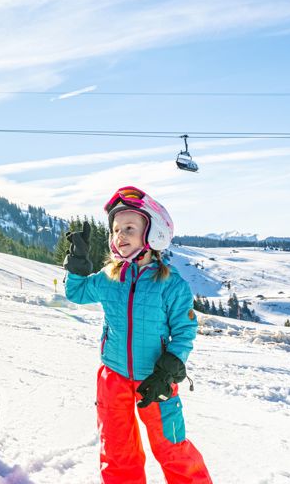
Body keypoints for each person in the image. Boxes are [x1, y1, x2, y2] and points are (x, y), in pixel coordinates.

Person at [63, 186, 211, 483]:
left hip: (156, 378)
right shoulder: (109, 277)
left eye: (129, 227)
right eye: (116, 229)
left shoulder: (171, 284)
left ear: (153, 233)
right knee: (117, 450)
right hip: (112, 377)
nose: (120, 235)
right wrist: (77, 263)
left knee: (171, 447)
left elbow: (184, 331)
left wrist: (170, 366)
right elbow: (76, 292)